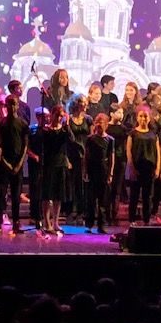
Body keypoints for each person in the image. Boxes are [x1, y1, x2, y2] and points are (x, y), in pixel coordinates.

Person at [0, 95, 29, 235]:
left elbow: (25, 145)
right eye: (9, 104)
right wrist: (5, 162)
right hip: (4, 163)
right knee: (1, 193)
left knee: (16, 195)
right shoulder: (1, 123)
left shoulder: (22, 124)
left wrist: (19, 163)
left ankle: (16, 223)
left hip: (17, 163)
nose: (12, 107)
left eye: (14, 104)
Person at [42, 105, 73, 234]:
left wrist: (67, 125)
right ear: (52, 114)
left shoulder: (64, 130)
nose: (59, 118)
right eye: (57, 115)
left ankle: (55, 222)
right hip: (49, 164)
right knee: (47, 195)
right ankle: (46, 222)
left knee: (58, 196)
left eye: (61, 116)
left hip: (61, 164)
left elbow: (71, 140)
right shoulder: (46, 130)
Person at [126, 106, 160, 226]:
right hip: (137, 167)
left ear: (149, 117)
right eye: (141, 116)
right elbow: (129, 151)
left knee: (147, 196)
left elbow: (157, 152)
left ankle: (146, 219)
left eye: (145, 116)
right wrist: (132, 168)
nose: (143, 118)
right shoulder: (133, 133)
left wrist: (158, 168)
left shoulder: (153, 134)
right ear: (137, 117)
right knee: (134, 195)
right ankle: (132, 220)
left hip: (149, 168)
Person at [84, 113, 115, 234]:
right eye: (97, 123)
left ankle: (101, 225)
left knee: (103, 200)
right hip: (93, 170)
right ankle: (89, 224)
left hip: (104, 170)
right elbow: (86, 156)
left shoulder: (110, 140)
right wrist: (85, 171)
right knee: (91, 199)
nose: (99, 125)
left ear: (106, 125)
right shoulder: (90, 139)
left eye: (101, 123)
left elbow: (112, 157)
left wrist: (110, 174)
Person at [66, 93, 92, 225]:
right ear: (76, 103)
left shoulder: (88, 119)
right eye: (82, 102)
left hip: (84, 155)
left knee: (82, 185)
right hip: (72, 155)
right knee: (71, 184)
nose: (85, 104)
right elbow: (66, 140)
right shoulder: (68, 119)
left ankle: (82, 212)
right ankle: (71, 212)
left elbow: (91, 137)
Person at [27, 107, 49, 230]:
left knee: (43, 190)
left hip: (45, 163)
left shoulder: (48, 130)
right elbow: (27, 146)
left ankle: (44, 216)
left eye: (47, 116)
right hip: (34, 163)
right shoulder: (32, 129)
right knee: (34, 190)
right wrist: (33, 155)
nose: (45, 118)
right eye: (43, 116)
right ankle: (35, 216)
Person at [106, 103, 129, 222]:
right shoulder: (107, 128)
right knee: (108, 186)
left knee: (117, 187)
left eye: (122, 112)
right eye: (119, 112)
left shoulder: (124, 129)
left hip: (121, 160)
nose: (121, 115)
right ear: (111, 114)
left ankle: (114, 214)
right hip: (109, 159)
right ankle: (106, 213)